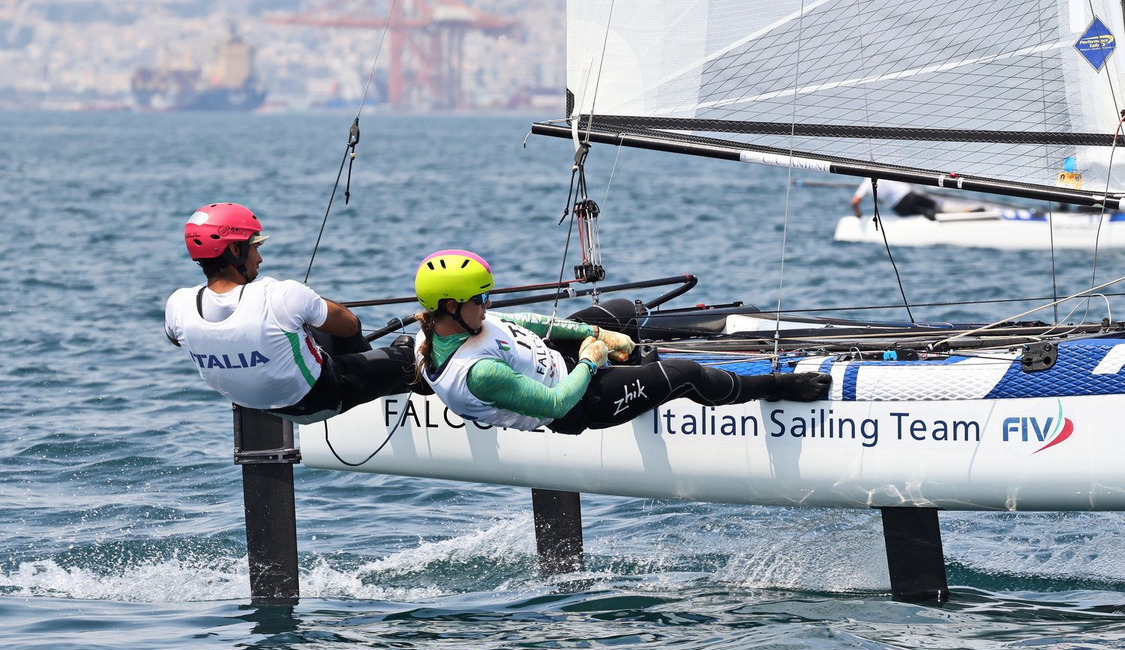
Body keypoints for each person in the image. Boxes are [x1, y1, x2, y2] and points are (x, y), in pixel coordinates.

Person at [412, 249, 832, 435]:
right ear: (451, 306)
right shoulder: (479, 373)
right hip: (580, 402)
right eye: (481, 299)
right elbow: (556, 404)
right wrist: (592, 361)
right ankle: (773, 386)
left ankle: (648, 353)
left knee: (619, 309)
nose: (488, 305)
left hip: (560, 359)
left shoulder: (438, 329)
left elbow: (525, 322)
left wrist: (596, 335)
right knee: (683, 374)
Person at [165, 202, 415, 423]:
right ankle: (416, 380)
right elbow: (350, 325)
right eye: (255, 247)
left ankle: (376, 377)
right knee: (407, 357)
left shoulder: (178, 305)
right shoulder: (281, 294)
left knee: (304, 329)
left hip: (261, 406)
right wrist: (308, 302)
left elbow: (177, 338)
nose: (260, 258)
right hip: (321, 398)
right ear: (234, 250)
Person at [851, 179, 940, 220]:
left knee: (923, 212)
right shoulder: (883, 172)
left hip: (898, 207)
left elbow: (855, 202)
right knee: (933, 204)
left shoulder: (865, 185)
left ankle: (928, 214)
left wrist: (858, 214)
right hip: (909, 195)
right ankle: (934, 214)